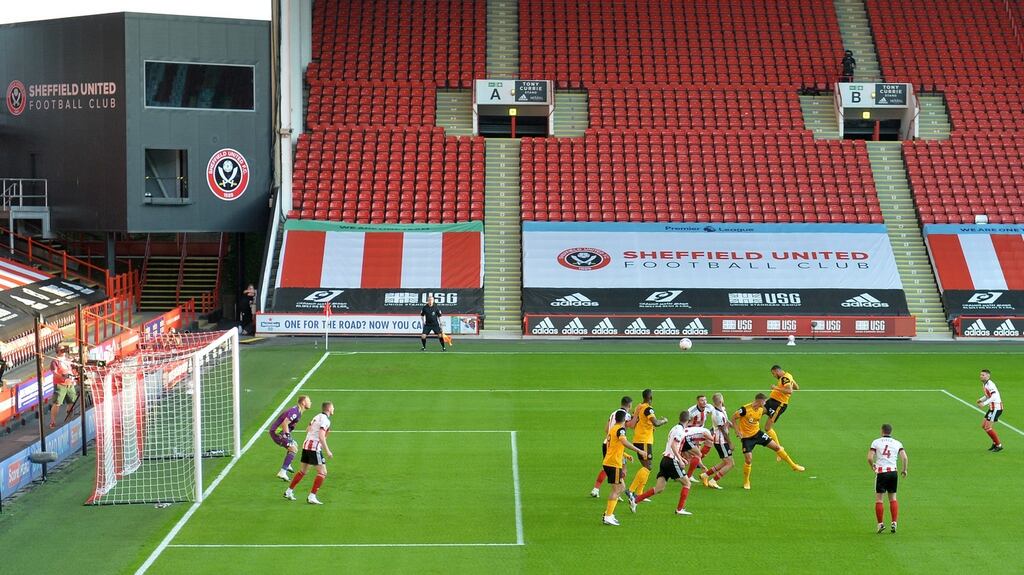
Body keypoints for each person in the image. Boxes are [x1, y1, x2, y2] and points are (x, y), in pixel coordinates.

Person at [732, 393, 804, 490]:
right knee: (748, 459)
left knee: (777, 447)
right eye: (764, 401)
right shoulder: (745, 409)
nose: (765, 403)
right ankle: (746, 481)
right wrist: (737, 431)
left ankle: (793, 466)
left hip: (758, 434)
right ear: (759, 401)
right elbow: (733, 418)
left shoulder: (761, 409)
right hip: (747, 438)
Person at [631, 411, 697, 515]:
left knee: (659, 488)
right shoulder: (680, 431)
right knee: (687, 483)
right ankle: (679, 509)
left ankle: (635, 500)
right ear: (689, 421)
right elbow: (674, 446)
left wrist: (680, 457)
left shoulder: (674, 428)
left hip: (665, 460)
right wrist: (680, 459)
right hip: (672, 461)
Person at [601, 409, 649, 526]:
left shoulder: (612, 429)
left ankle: (608, 513)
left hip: (610, 462)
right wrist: (639, 451)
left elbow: (613, 447)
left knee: (622, 487)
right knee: (616, 489)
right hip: (613, 463)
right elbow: (624, 442)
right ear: (625, 420)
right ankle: (608, 516)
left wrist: (626, 455)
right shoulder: (620, 430)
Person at [284, 401, 334, 504]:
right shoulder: (326, 420)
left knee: (303, 471)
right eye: (333, 408)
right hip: (314, 447)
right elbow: (320, 435)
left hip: (306, 445)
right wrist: (327, 450)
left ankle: (289, 491)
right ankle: (312, 496)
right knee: (322, 472)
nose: (334, 409)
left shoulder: (316, 416)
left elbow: (307, 429)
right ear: (329, 409)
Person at [626, 388, 669, 504]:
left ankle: (640, 493)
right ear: (650, 398)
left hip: (639, 438)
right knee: (648, 466)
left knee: (646, 466)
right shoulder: (648, 409)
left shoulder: (638, 407)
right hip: (644, 440)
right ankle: (631, 491)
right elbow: (655, 422)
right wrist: (664, 420)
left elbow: (639, 422)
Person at [868, 423, 908, 534]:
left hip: (882, 473)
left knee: (879, 499)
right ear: (891, 431)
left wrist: (873, 466)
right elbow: (904, 457)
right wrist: (904, 470)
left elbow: (870, 457)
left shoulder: (876, 442)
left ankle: (880, 524)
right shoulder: (897, 443)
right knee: (893, 498)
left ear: (882, 431)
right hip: (893, 473)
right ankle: (894, 522)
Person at [591, 396, 634, 497]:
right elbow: (631, 425)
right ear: (630, 405)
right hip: (615, 445)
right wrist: (635, 415)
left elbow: (606, 429)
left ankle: (596, 489)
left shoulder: (613, 413)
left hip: (606, 443)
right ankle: (619, 492)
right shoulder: (626, 415)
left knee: (607, 467)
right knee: (621, 469)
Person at [269, 395, 312, 481]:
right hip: (277, 432)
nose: (310, 402)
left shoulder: (298, 411)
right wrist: (287, 436)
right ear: (303, 402)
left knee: (294, 444)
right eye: (309, 400)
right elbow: (285, 423)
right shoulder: (295, 411)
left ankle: (287, 465)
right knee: (293, 449)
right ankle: (282, 472)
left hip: (281, 432)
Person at [701, 393, 734, 489]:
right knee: (730, 463)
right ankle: (713, 480)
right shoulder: (717, 414)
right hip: (721, 441)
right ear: (720, 401)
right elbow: (723, 430)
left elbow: (727, 421)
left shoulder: (721, 409)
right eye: (722, 399)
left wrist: (735, 428)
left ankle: (705, 475)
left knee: (725, 462)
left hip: (720, 440)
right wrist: (730, 443)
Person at [765, 364, 799, 460]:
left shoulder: (784, 378)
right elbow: (797, 387)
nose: (774, 376)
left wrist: (776, 388)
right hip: (772, 401)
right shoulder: (789, 375)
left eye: (773, 373)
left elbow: (790, 390)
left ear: (777, 371)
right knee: (758, 409)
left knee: (767, 428)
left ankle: (779, 449)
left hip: (779, 405)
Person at [683, 394, 713, 481]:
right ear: (698, 402)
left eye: (705, 400)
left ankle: (695, 464)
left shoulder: (709, 407)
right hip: (690, 434)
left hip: (700, 433)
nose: (704, 402)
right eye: (702, 400)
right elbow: (684, 423)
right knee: (691, 455)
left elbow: (716, 410)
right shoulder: (691, 412)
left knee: (709, 443)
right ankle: (689, 474)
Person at [48, 344, 77, 429]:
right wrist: (63, 377)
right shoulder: (55, 361)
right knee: (57, 403)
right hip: (60, 384)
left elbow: (73, 368)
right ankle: (53, 421)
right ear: (58, 351)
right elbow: (55, 373)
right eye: (62, 350)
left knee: (72, 401)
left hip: (70, 383)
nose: (64, 351)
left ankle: (69, 416)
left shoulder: (68, 359)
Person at [976, 369, 1004, 452]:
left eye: (983, 375)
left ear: (988, 376)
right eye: (981, 375)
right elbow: (988, 395)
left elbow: (994, 396)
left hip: (996, 408)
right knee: (984, 426)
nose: (981, 376)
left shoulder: (990, 384)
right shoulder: (985, 384)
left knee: (988, 427)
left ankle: (998, 445)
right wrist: (981, 399)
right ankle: (995, 443)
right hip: (992, 408)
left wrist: (983, 404)